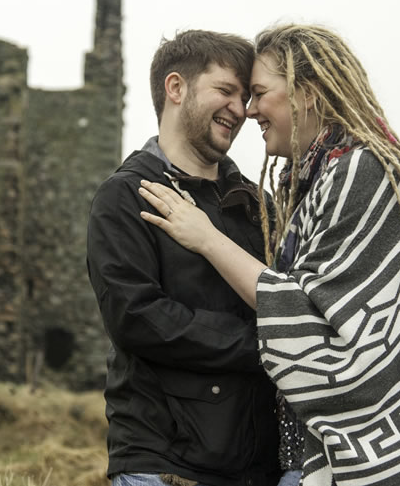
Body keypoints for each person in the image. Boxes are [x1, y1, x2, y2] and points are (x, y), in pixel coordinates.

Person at [138, 24, 400, 486]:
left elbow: (318, 321)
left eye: (259, 93)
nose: (249, 111)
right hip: (310, 454)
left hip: (371, 461)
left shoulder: (361, 173)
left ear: (307, 93)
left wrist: (208, 238)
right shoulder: (309, 183)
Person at [87, 30, 281, 486]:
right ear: (176, 88)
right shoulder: (124, 196)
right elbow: (136, 316)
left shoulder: (259, 205)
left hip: (258, 469)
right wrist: (270, 344)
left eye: (247, 95)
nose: (241, 109)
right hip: (163, 465)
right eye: (226, 91)